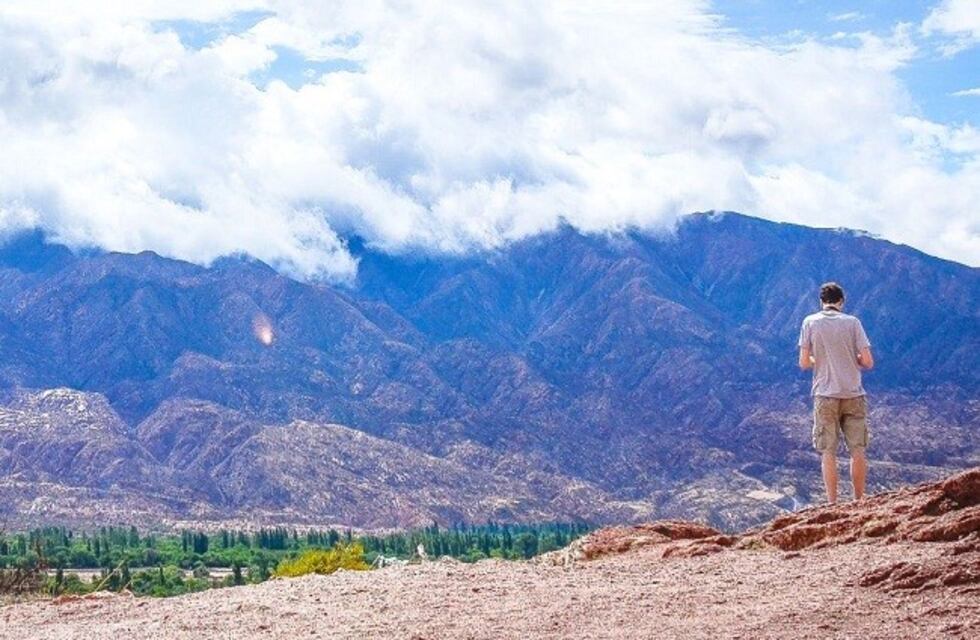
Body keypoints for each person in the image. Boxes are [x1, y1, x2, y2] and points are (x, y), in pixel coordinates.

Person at [798, 282, 874, 503]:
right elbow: (868, 361)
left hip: (825, 394)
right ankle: (859, 500)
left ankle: (832, 504)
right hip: (853, 393)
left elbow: (803, 362)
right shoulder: (853, 323)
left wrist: (818, 360)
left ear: (822, 302)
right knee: (857, 449)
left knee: (828, 451)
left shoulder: (810, 322)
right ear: (841, 301)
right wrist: (852, 359)